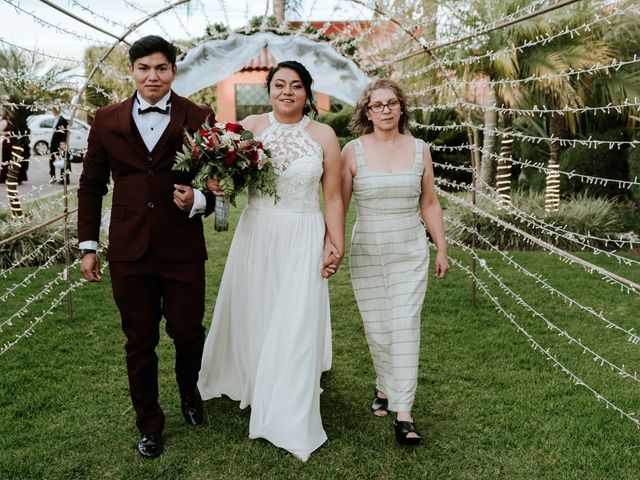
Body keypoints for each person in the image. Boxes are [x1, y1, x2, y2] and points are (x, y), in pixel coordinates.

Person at [77, 35, 219, 459]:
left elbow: (218, 183)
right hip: (128, 249)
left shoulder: (199, 115)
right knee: (139, 341)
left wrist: (199, 200)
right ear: (132, 71)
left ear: (173, 71)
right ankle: (149, 423)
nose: (152, 76)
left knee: (188, 333)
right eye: (144, 68)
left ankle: (189, 393)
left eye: (161, 68)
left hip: (182, 248)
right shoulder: (106, 119)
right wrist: (88, 245)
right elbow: (91, 185)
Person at [197, 60, 344, 462]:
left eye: (296, 86)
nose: (287, 92)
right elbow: (227, 179)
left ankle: (289, 398)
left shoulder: (325, 135)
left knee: (296, 315)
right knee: (258, 308)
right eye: (279, 85)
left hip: (303, 232)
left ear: (307, 92)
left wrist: (336, 241)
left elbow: (332, 196)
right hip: (258, 231)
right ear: (269, 90)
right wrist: (215, 182)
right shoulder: (250, 128)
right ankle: (254, 377)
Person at [341, 78, 449, 446]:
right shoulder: (351, 152)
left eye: (391, 104)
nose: (385, 110)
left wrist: (442, 248)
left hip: (408, 247)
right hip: (368, 248)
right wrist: (332, 246)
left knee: (404, 324)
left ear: (401, 108)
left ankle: (403, 413)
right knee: (378, 328)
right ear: (366, 112)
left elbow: (430, 202)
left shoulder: (420, 149)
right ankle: (384, 387)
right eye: (377, 105)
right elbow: (337, 204)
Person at [49, 107, 69, 183]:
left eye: (53, 111)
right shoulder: (56, 119)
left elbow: (65, 132)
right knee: (51, 160)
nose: (52, 112)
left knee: (63, 160)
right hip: (54, 143)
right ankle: (53, 176)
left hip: (60, 143)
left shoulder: (63, 120)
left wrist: (63, 142)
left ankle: (64, 178)